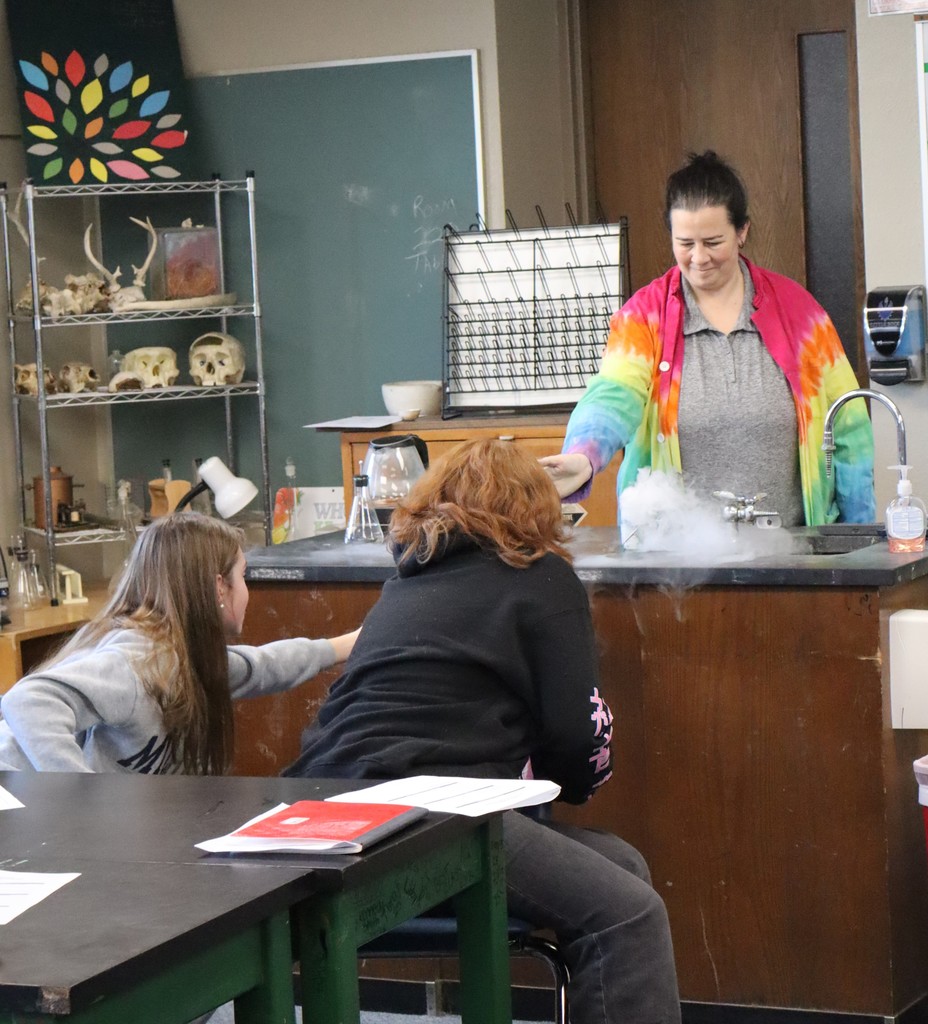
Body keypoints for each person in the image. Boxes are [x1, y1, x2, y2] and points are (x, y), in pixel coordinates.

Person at [285, 438, 681, 1024]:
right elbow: (576, 741)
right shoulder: (541, 578)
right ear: (535, 507)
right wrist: (573, 782)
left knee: (620, 865)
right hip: (428, 812)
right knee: (628, 915)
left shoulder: (406, 583)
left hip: (322, 804)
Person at [541, 150, 875, 528]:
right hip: (675, 561)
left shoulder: (799, 313)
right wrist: (584, 455)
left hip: (796, 555)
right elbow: (613, 393)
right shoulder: (644, 317)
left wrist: (861, 539)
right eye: (685, 243)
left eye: (713, 242)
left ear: (742, 231)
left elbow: (849, 426)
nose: (698, 258)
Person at [0, 512, 359, 774]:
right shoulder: (138, 662)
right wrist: (82, 801)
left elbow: (264, 665)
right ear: (220, 587)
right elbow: (27, 700)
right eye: (243, 575)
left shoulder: (185, 660)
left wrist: (345, 646)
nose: (247, 590)